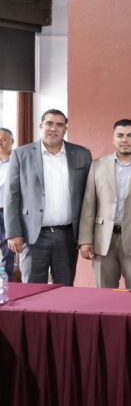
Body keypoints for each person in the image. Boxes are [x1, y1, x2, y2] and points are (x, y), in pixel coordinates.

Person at [4, 109, 92, 284]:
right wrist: (13, 233)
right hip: (33, 236)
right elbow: (11, 196)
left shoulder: (81, 154)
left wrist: (86, 236)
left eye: (59, 125)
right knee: (32, 290)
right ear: (41, 125)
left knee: (64, 288)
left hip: (67, 236)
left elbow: (90, 197)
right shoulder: (21, 154)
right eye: (49, 123)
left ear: (65, 129)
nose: (53, 128)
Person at [78, 119, 131, 289]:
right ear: (113, 138)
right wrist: (85, 239)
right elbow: (89, 204)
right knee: (104, 294)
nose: (125, 140)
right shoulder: (97, 165)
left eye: (130, 135)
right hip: (103, 240)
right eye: (120, 135)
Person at [0, 128, 15, 280]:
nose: (0, 143)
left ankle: (4, 285)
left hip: (7, 212)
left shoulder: (17, 162)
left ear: (12, 142)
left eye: (3, 139)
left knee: (8, 252)